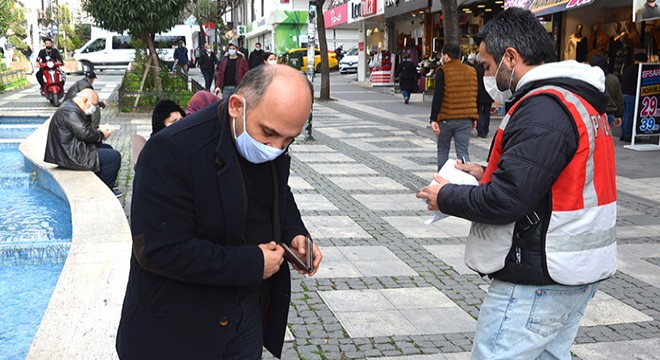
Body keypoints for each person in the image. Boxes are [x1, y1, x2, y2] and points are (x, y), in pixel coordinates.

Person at [416, 8, 616, 359]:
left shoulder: (543, 109)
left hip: (540, 278)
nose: (487, 75)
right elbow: (549, 174)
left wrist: (445, 196)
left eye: (488, 65)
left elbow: (507, 200)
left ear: (511, 56)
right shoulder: (575, 99)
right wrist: (485, 171)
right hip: (570, 269)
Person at [116, 64, 323, 359]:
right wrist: (252, 263)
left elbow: (279, 193)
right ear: (237, 106)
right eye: (269, 133)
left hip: (244, 317)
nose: (276, 148)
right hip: (178, 326)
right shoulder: (172, 151)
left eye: (289, 140)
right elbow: (159, 250)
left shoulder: (270, 143)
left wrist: (295, 234)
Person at [43, 89, 122, 197]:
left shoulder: (71, 106)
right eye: (93, 105)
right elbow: (86, 133)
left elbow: (83, 129)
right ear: (85, 100)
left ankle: (102, 183)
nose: (94, 109)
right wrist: (102, 135)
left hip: (70, 149)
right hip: (69, 155)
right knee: (114, 156)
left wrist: (99, 130)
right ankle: (106, 191)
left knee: (108, 148)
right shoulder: (70, 111)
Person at [429, 43, 478, 170]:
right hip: (465, 119)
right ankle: (466, 179)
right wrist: (473, 117)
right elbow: (473, 94)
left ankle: (442, 179)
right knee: (463, 151)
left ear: (446, 56)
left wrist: (433, 118)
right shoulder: (471, 71)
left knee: (443, 150)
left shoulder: (442, 71)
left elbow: (438, 96)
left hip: (446, 118)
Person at [591, 54, 624, 128]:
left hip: (592, 111)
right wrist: (619, 114)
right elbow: (619, 99)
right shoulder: (613, 79)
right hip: (610, 112)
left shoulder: (589, 79)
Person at [621, 53, 647, 142]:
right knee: (630, 115)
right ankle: (628, 135)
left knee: (625, 114)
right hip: (632, 94)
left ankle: (623, 134)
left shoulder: (628, 68)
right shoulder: (638, 69)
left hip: (624, 93)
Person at [475, 56, 493, 138]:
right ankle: (485, 130)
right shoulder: (489, 68)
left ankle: (480, 130)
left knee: (480, 112)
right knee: (487, 113)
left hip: (479, 94)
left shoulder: (476, 69)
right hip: (488, 94)